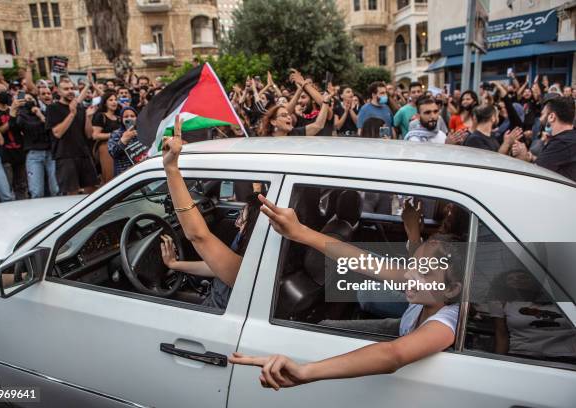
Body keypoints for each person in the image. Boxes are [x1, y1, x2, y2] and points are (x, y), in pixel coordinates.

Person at [229, 196, 465, 390]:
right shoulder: (426, 290)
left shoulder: (446, 324)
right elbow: (361, 260)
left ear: (452, 289)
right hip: (402, 326)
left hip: (399, 336)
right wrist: (299, 232)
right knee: (324, 326)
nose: (411, 275)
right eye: (412, 264)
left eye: (424, 273)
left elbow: (393, 354)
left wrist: (305, 372)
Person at [159, 116, 263, 309]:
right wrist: (175, 265)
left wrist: (171, 169)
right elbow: (217, 266)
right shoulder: (248, 256)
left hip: (214, 311)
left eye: (243, 217)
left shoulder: (248, 267)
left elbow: (198, 236)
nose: (237, 222)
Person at [46, 77, 97, 195]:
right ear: (58, 92)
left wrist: (88, 117)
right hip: (65, 156)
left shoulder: (80, 107)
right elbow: (57, 133)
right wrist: (72, 114)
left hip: (83, 154)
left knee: (92, 191)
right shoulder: (53, 108)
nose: (70, 91)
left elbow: (89, 134)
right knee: (71, 193)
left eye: (71, 88)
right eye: (65, 89)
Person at [511, 96, 576, 182]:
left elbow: (537, 174)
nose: (540, 119)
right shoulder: (568, 138)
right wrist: (529, 157)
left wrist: (523, 158)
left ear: (552, 117)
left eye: (542, 115)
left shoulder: (562, 142)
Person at [14, 93, 59, 198]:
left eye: (30, 99)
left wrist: (39, 114)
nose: (29, 101)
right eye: (25, 100)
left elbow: (51, 127)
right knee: (36, 191)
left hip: (50, 153)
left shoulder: (44, 112)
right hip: (34, 155)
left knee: (56, 189)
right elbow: (17, 126)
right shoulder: (20, 116)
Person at [0, 82, 28, 199]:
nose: (5, 94)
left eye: (6, 91)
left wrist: (20, 110)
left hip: (20, 153)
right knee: (7, 191)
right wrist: (12, 114)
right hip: (4, 156)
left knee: (22, 188)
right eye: (1, 92)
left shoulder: (13, 108)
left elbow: (22, 128)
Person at [257, 94, 332, 137]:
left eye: (288, 115)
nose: (289, 117)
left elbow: (318, 125)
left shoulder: (295, 133)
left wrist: (325, 102)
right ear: (273, 122)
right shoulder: (266, 140)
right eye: (284, 115)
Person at [92, 90, 120, 183]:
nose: (114, 102)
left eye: (115, 99)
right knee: (110, 177)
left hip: (119, 148)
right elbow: (95, 135)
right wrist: (113, 135)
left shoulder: (119, 117)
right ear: (105, 103)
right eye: (110, 100)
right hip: (105, 148)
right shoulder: (101, 116)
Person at [107, 107, 145, 176]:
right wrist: (123, 140)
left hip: (141, 171)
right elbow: (113, 153)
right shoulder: (116, 134)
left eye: (132, 116)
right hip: (125, 175)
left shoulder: (142, 131)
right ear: (122, 119)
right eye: (126, 116)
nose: (129, 118)